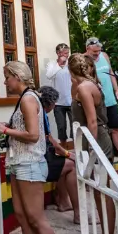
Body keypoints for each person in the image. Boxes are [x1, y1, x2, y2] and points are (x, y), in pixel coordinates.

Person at [0, 62, 60, 234]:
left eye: (7, 77)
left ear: (17, 77)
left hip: (29, 163)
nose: (5, 82)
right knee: (22, 215)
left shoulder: (28, 99)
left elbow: (32, 135)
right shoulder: (27, 98)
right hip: (19, 162)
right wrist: (10, 126)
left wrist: (5, 130)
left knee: (37, 219)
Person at [70, 53, 116, 234]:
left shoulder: (84, 87)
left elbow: (92, 121)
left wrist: (91, 148)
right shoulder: (83, 85)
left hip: (98, 141)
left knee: (103, 191)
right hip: (91, 140)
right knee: (97, 192)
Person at [39, 86, 80, 224]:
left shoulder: (38, 113)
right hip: (41, 162)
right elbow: (53, 143)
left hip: (41, 157)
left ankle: (63, 202)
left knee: (64, 162)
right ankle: (78, 213)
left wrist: (66, 154)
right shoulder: (41, 116)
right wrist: (69, 154)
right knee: (72, 165)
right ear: (50, 104)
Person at [85, 37, 118, 161]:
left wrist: (117, 90)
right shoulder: (83, 59)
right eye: (94, 52)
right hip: (96, 102)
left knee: (116, 128)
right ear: (87, 49)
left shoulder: (104, 56)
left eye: (99, 51)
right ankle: (98, 159)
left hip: (110, 99)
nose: (97, 54)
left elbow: (111, 73)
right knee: (99, 129)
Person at [45, 43, 72, 142]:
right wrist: (59, 64)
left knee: (75, 126)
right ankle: (64, 150)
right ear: (58, 53)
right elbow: (49, 75)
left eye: (67, 53)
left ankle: (76, 149)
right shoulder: (52, 64)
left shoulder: (71, 63)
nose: (66, 55)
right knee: (61, 127)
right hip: (58, 102)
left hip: (71, 100)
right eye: (63, 53)